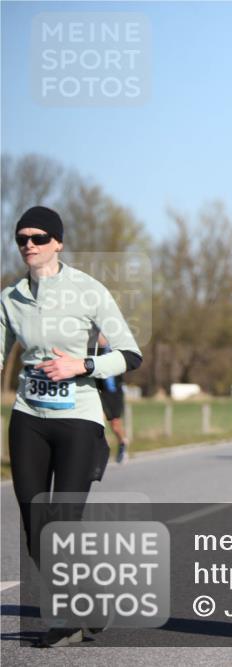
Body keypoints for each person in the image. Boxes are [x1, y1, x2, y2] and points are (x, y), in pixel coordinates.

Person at [1, 206, 142, 647]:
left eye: (39, 237)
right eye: (22, 237)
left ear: (58, 243)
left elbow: (129, 354)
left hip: (78, 419)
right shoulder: (11, 299)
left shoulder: (88, 290)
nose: (29, 244)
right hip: (28, 417)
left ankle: (68, 615)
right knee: (34, 527)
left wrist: (83, 363)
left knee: (61, 520)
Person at [94, 334, 130, 464]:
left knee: (115, 425)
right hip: (100, 392)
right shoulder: (94, 350)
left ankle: (122, 443)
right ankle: (101, 449)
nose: (99, 338)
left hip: (114, 392)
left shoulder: (115, 351)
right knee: (97, 421)